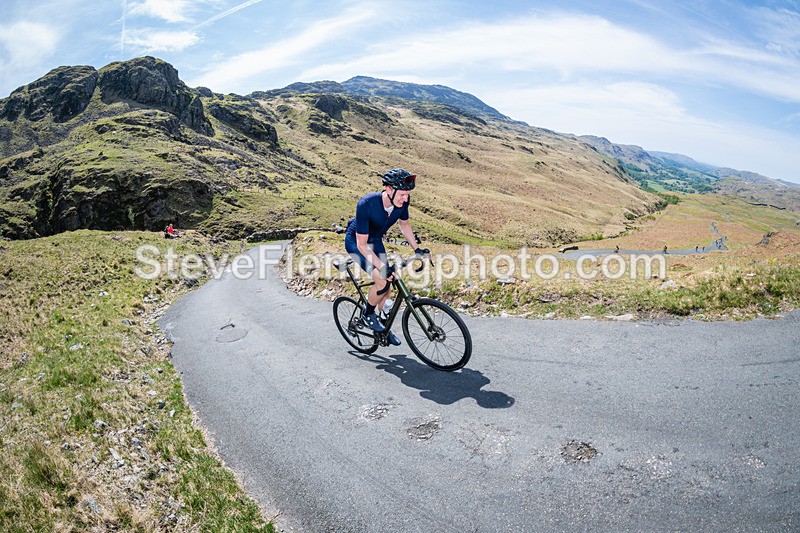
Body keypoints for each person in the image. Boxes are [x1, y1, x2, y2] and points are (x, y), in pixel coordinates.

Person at [344, 168, 428, 346]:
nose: (406, 199)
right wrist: (381, 267)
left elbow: (404, 225)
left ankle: (382, 325)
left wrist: (417, 249)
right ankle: (368, 314)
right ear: (389, 190)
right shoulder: (366, 204)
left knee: (389, 283)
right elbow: (361, 244)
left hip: (375, 241)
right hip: (357, 243)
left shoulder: (403, 200)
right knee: (382, 279)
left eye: (408, 195)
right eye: (403, 195)